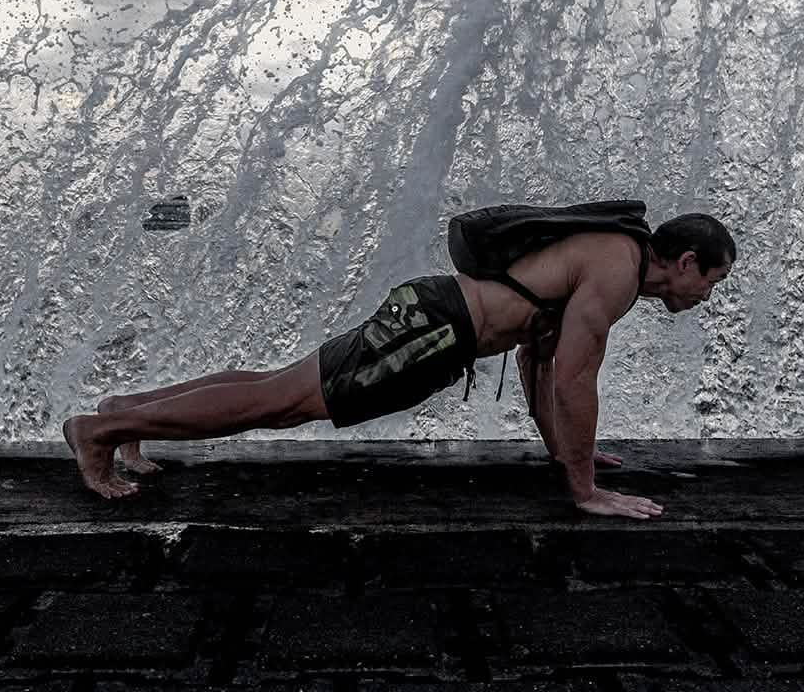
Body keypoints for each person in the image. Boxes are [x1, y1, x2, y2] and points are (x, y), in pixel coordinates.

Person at [63, 211, 735, 518]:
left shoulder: (606, 255)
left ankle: (125, 413)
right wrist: (586, 490)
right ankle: (97, 435)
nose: (706, 296)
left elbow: (538, 361)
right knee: (283, 402)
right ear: (685, 263)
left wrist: (564, 453)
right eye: (713, 281)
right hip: (435, 330)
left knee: (279, 386)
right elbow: (574, 381)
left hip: (433, 313)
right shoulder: (617, 269)